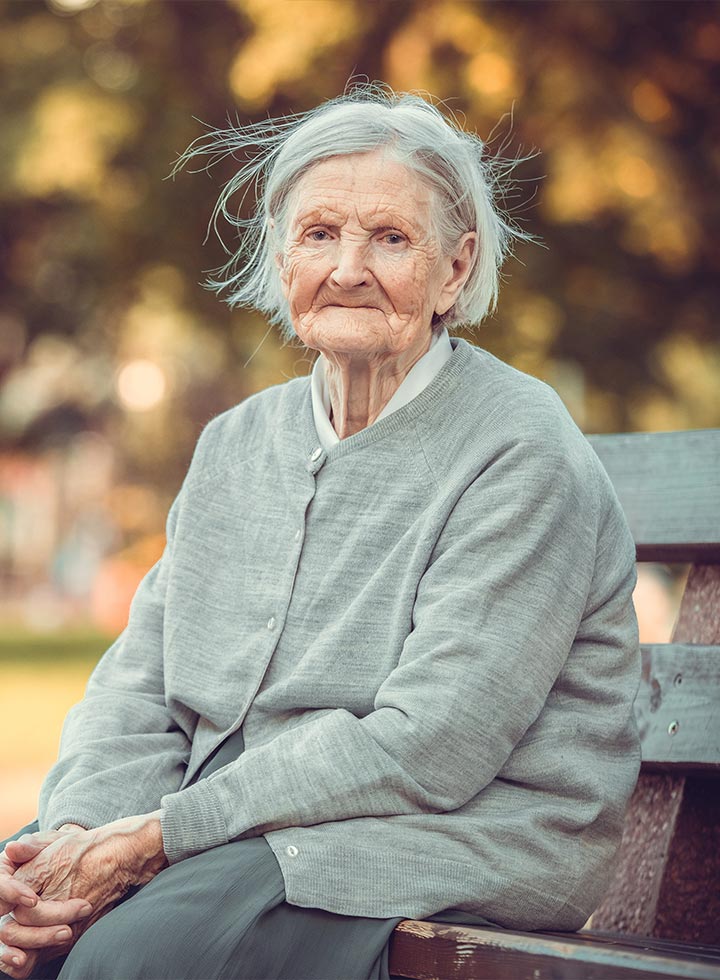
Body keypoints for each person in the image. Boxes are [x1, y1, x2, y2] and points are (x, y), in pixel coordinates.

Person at [0, 84, 641, 980]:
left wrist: (158, 836)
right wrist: (74, 830)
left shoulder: (520, 450)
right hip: (225, 831)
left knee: (130, 961)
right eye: (319, 233)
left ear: (455, 270)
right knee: (20, 923)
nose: (347, 267)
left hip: (443, 833)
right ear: (280, 255)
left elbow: (432, 743)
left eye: (389, 237)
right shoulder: (235, 444)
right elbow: (137, 688)